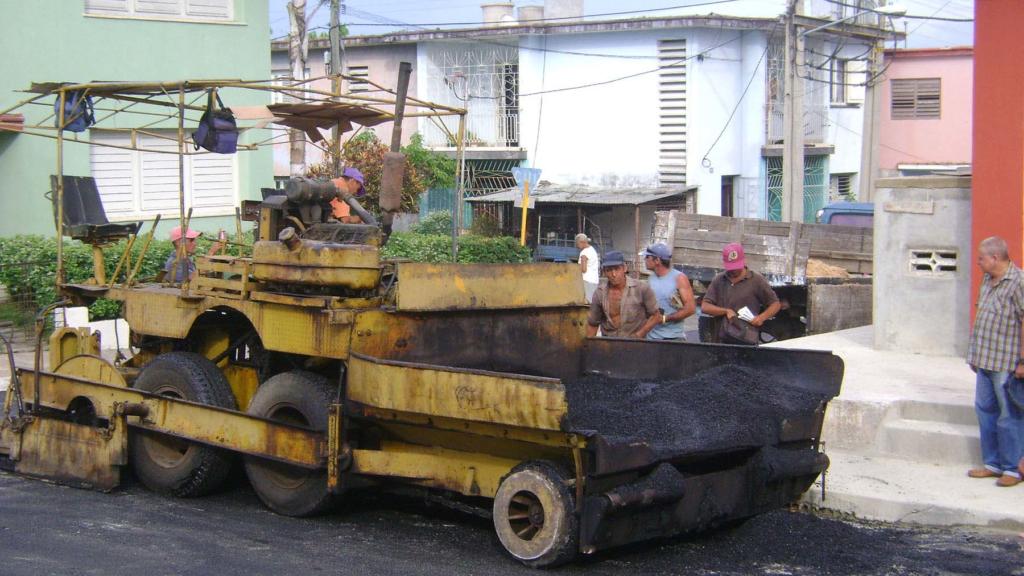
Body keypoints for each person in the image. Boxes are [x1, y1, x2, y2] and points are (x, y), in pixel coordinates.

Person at [966, 236, 1024, 488]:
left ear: (995, 258)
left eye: (981, 258)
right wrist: (973, 356)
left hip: (1007, 363)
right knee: (984, 411)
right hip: (985, 360)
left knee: (1008, 416)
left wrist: (1023, 361)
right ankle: (992, 464)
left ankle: (1013, 467)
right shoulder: (988, 280)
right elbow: (982, 317)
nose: (978, 263)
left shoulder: (1018, 282)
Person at [700, 242, 781, 345]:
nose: (733, 270)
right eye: (731, 267)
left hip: (746, 339)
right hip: (722, 339)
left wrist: (761, 317)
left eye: (736, 267)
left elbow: (775, 304)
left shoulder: (756, 280)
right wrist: (726, 311)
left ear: (743, 261)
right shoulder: (719, 280)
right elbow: (705, 306)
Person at [586, 251, 660, 339]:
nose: (613, 274)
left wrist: (639, 335)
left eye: (617, 269)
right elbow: (593, 323)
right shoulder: (599, 293)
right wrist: (588, 346)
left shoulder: (641, 289)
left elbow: (656, 316)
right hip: (609, 346)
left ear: (624, 268)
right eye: (609, 270)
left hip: (636, 345)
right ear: (604, 272)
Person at [642, 243, 696, 341]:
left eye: (647, 257)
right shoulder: (650, 279)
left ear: (657, 260)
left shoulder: (679, 278)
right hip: (651, 338)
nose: (644, 259)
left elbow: (690, 309)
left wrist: (664, 319)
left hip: (672, 338)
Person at [576, 233, 600, 303]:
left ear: (582, 242)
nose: (577, 246)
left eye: (577, 244)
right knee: (592, 302)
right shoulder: (592, 250)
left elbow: (583, 269)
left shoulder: (584, 253)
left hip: (586, 280)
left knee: (586, 302)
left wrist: (575, 270)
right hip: (594, 281)